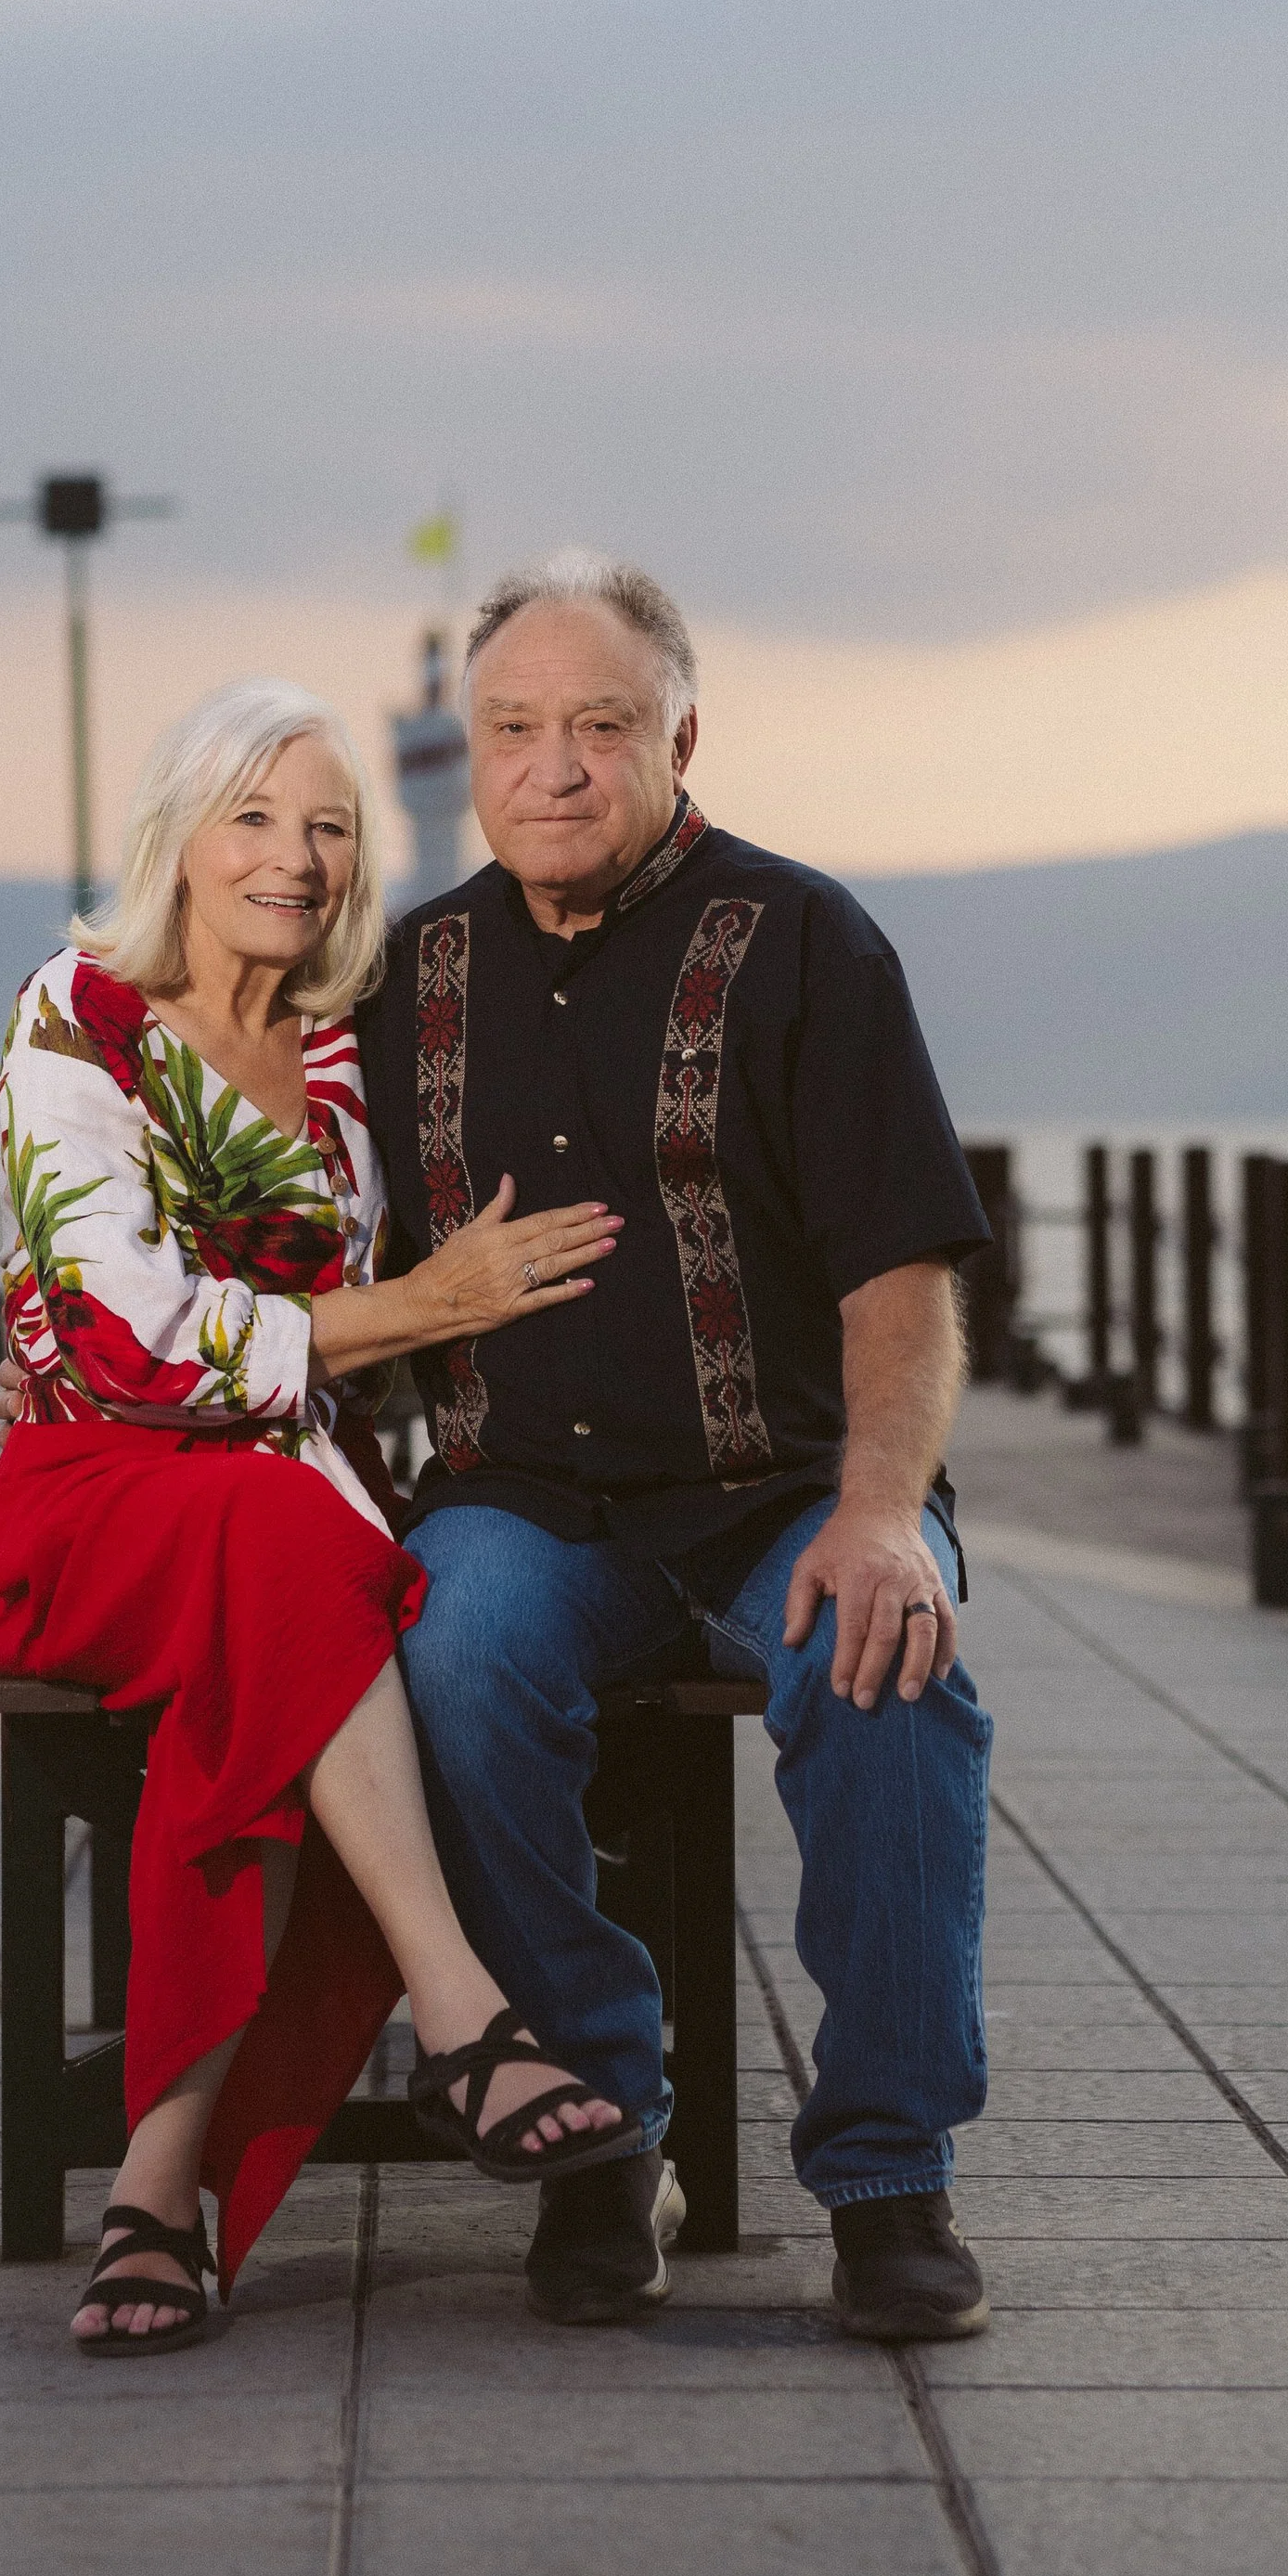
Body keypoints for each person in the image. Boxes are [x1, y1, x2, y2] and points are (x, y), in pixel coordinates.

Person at [355, 553, 994, 2339]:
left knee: (887, 1663)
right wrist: (82, 1345)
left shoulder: (804, 942)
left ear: (680, 735)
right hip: (523, 1503)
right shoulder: (409, 975)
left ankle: (888, 2179)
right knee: (452, 1649)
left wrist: (881, 1514)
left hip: (784, 1485)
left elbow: (903, 1270)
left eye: (599, 726)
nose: (553, 765)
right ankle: (598, 2132)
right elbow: (276, 1219)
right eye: (513, 729)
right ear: (469, 754)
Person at [0, 677, 634, 2356]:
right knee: (304, 1563)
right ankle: (460, 2004)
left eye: (330, 825)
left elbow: (371, 1356)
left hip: (285, 1504)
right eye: (257, 816)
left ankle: (156, 2184)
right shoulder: (81, 1010)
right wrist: (422, 1303)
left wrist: (462, 1322)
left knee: (301, 1600)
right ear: (180, 836)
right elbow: (121, 1337)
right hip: (88, 1496)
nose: (297, 855)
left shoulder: (345, 1056)